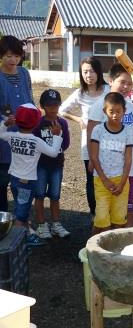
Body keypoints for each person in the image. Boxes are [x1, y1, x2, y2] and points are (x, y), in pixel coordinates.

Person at [88, 63, 133, 227]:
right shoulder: (100, 105)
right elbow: (91, 131)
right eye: (122, 82)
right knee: (105, 206)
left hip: (128, 165)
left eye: (129, 84)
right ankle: (104, 239)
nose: (126, 87)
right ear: (111, 81)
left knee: (127, 202)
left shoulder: (130, 105)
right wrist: (91, 159)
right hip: (106, 167)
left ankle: (126, 237)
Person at [0, 103, 62, 246]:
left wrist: (5, 123)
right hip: (27, 182)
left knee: (20, 207)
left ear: (17, 120)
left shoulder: (12, 136)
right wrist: (57, 136)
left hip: (14, 179)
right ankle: (20, 242)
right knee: (21, 215)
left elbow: (1, 133)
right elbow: (53, 153)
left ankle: (25, 233)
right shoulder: (36, 141)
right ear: (35, 123)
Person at [59, 56, 109, 216]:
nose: (89, 75)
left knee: (109, 175)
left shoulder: (108, 90)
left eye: (92, 71)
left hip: (110, 141)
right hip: (88, 143)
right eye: (85, 72)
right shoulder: (79, 93)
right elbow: (61, 110)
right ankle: (95, 214)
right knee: (91, 178)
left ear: (99, 72)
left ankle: (109, 211)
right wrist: (78, 119)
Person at [90, 92, 133, 235]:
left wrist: (122, 183)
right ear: (104, 111)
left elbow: (128, 160)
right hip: (101, 180)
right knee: (102, 218)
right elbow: (94, 157)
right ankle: (92, 247)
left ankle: (114, 251)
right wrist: (104, 180)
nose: (115, 115)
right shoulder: (98, 130)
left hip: (120, 180)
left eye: (118, 111)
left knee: (119, 219)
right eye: (111, 111)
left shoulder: (127, 131)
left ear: (124, 111)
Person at [0, 35, 34, 212]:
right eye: (8, 56)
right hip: (4, 139)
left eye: (17, 56)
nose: (13, 60)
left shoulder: (24, 73)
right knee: (2, 182)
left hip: (25, 136)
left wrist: (33, 117)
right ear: (1, 56)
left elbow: (30, 98)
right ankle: (3, 222)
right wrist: (5, 120)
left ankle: (22, 221)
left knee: (22, 184)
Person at [33, 90, 70, 239]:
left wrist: (58, 136)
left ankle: (56, 224)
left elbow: (66, 143)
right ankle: (42, 225)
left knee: (55, 196)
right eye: (49, 105)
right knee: (39, 195)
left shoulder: (63, 122)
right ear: (42, 106)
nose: (53, 108)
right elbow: (34, 142)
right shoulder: (38, 123)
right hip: (40, 165)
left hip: (56, 165)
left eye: (56, 104)